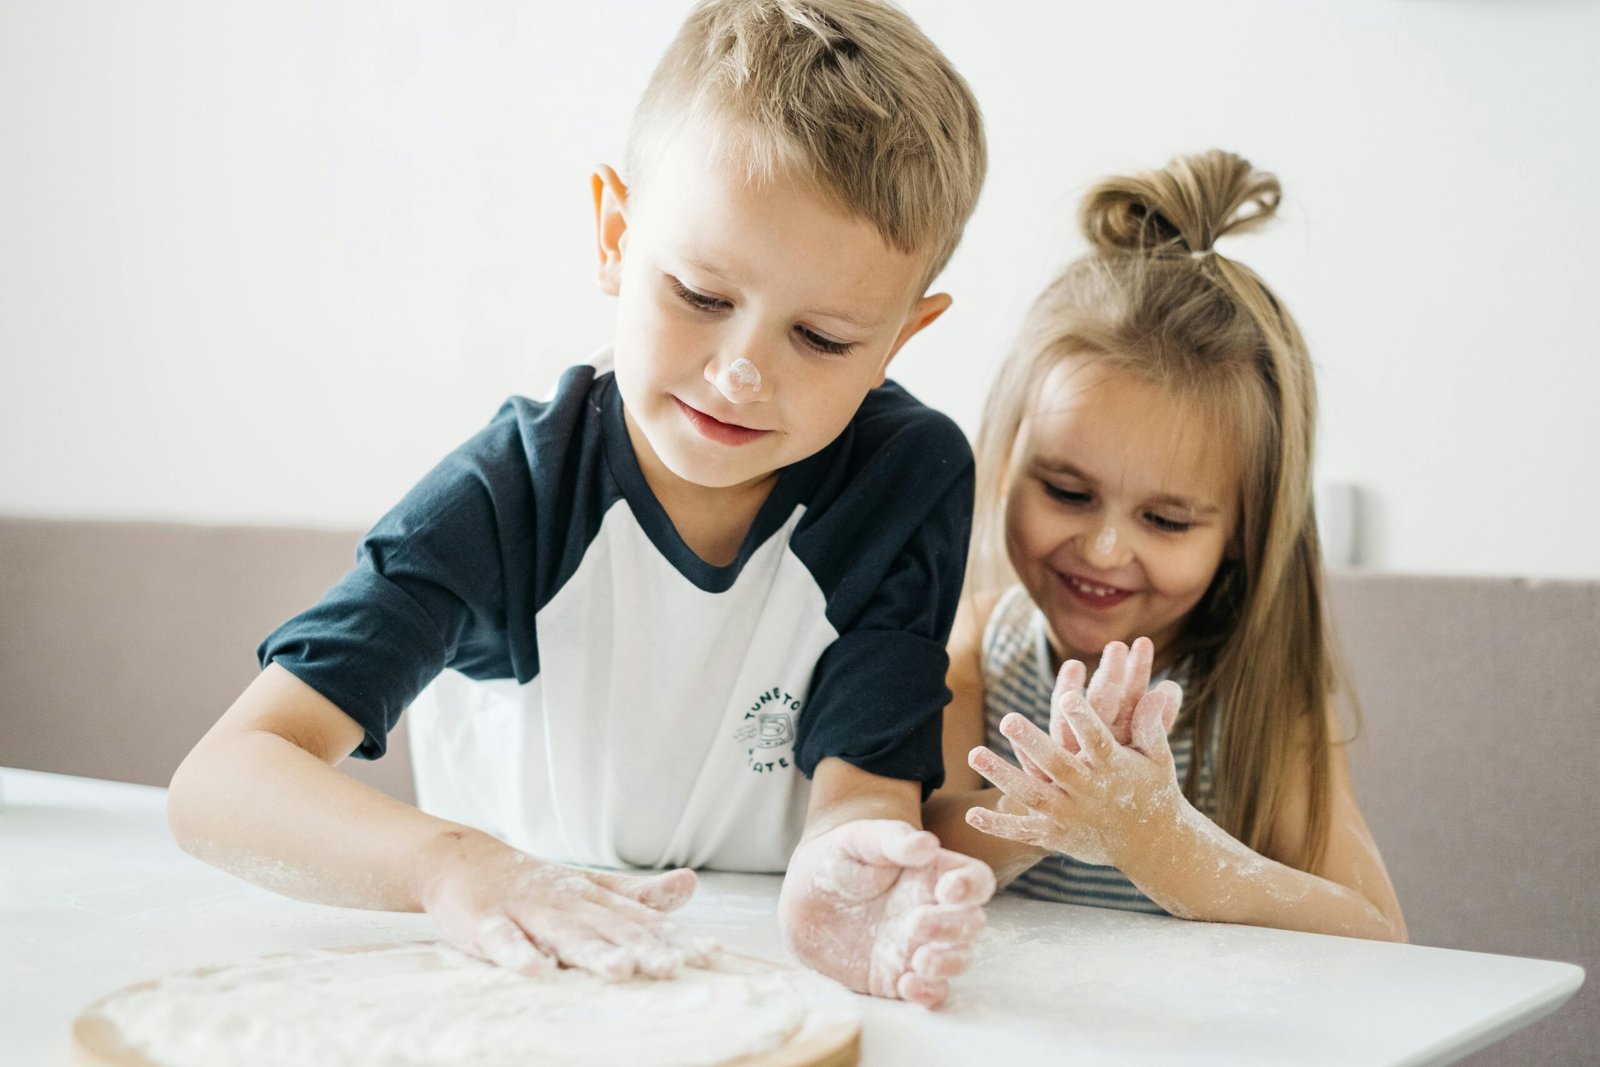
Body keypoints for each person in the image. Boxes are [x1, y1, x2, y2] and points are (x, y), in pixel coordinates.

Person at [168, 0, 995, 1008]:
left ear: (900, 340)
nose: (740, 373)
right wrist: (452, 865)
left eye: (821, 339)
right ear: (614, 233)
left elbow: (863, 778)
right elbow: (222, 779)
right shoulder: (509, 492)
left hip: (766, 979)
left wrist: (851, 865)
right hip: (518, 988)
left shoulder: (908, 479)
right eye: (698, 292)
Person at [923, 150, 1407, 941]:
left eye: (1169, 520)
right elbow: (919, 844)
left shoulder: (1258, 694)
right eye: (1068, 492)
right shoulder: (980, 645)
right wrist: (1056, 797)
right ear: (1007, 462)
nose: (1106, 548)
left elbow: (1378, 932)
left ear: (1245, 531)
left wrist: (1161, 842)